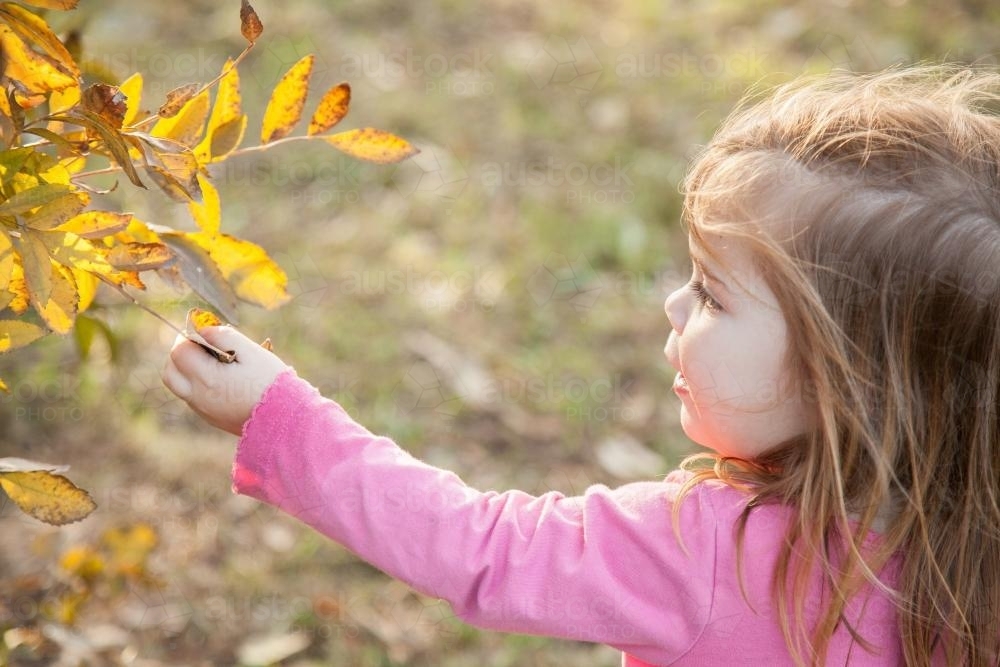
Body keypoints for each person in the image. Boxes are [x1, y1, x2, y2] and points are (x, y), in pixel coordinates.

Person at [162, 64, 1000, 666]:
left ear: (843, 376)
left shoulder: (701, 552)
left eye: (710, 295)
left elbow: (475, 546)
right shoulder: (975, 557)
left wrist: (278, 413)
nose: (674, 308)